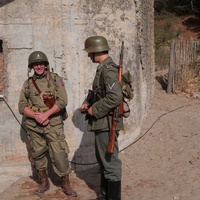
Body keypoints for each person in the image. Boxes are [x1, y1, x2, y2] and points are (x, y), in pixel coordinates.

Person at [18, 51, 77, 197]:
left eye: (41, 63)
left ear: (45, 65)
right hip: (34, 125)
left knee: (59, 153)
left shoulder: (56, 80)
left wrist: (46, 114)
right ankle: (44, 182)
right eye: (35, 64)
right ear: (31, 66)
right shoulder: (27, 84)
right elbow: (21, 106)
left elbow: (63, 100)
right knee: (38, 154)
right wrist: (36, 116)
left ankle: (65, 183)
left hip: (53, 123)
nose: (39, 66)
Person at [80, 36, 123, 200]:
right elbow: (99, 93)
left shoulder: (108, 69)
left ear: (94, 51)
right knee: (103, 159)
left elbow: (114, 96)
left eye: (88, 52)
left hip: (106, 123)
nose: (87, 56)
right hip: (102, 123)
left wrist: (94, 110)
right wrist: (87, 103)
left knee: (110, 162)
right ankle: (105, 195)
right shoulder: (102, 68)